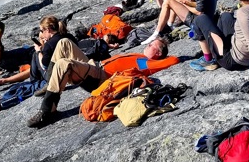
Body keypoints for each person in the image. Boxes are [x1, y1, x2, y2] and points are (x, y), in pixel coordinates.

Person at [26, 37, 177, 128]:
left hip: (100, 78)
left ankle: (47, 109)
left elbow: (173, 60)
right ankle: (52, 82)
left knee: (63, 64)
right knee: (64, 43)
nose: (148, 44)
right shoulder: (138, 55)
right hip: (94, 66)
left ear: (157, 53)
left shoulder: (146, 62)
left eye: (152, 45)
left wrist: (166, 58)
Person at [0, 16, 73, 88]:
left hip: (56, 76)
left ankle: (34, 83)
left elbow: (44, 66)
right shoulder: (68, 37)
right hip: (72, 70)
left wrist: (39, 51)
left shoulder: (49, 45)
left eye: (42, 35)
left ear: (48, 30)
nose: (43, 39)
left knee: (35, 55)